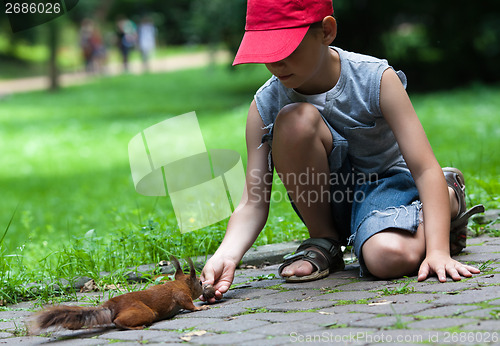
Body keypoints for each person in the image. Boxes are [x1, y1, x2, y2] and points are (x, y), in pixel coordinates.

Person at [200, 0, 484, 303]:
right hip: (330, 202)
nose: (276, 63)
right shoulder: (265, 104)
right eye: (266, 52)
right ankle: (325, 242)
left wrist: (438, 250)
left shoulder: (376, 79)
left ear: (326, 31)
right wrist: (225, 255)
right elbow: (253, 202)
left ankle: (447, 196)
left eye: (287, 49)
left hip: (389, 188)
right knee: (295, 120)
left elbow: (424, 168)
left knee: (384, 258)